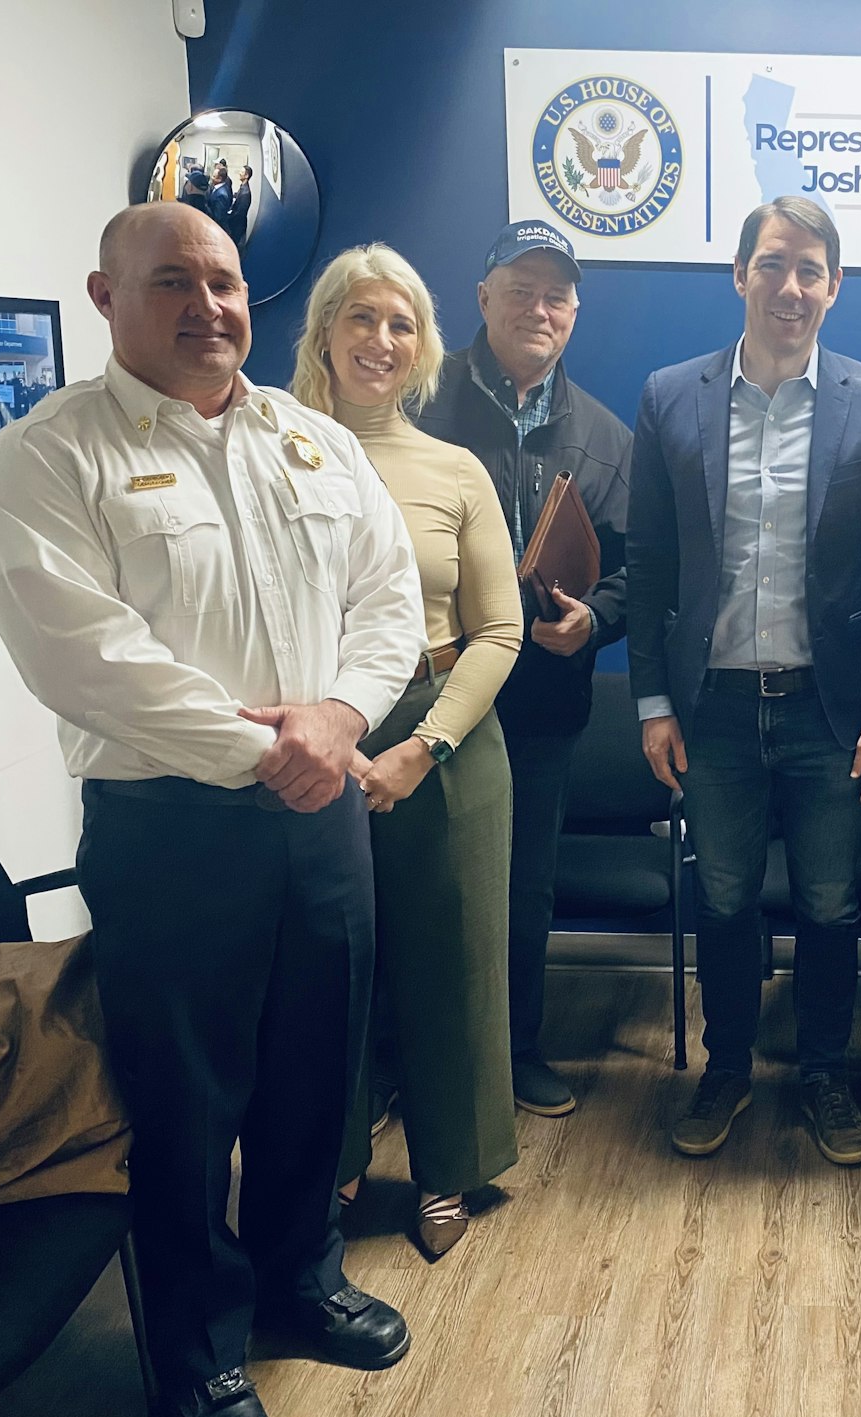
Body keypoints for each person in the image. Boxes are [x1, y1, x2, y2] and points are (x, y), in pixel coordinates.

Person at [0, 202, 423, 1417]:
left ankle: (298, 1283)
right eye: (173, 282)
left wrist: (336, 721)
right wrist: (274, 751)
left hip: (322, 817)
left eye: (224, 283)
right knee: (182, 1106)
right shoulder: (46, 459)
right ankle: (194, 1351)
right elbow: (88, 659)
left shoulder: (313, 442)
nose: (209, 306)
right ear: (106, 298)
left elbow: (387, 602)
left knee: (313, 1071)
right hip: (170, 832)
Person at [627, 195, 861, 1166]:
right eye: (772, 264)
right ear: (739, 275)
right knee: (722, 901)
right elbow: (652, 565)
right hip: (709, 710)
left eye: (809, 270)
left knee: (833, 905)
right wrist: (651, 701)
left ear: (833, 287)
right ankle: (726, 1070)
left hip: (828, 714)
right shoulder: (670, 395)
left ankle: (824, 1077)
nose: (789, 286)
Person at [290, 243, 524, 1259]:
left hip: (443, 730)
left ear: (422, 344)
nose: (379, 341)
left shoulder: (454, 470)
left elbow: (500, 631)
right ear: (325, 334)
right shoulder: (272, 450)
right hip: (309, 739)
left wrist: (422, 745)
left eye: (400, 324)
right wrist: (327, 742)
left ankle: (449, 1170)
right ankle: (328, 1159)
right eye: (361, 318)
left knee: (452, 960)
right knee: (319, 967)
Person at [416, 219, 631, 1119]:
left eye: (555, 295)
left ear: (574, 314)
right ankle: (413, 1060)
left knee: (522, 883)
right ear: (482, 300)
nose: (537, 309)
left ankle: (514, 1053)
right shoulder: (417, 409)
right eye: (520, 290)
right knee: (423, 879)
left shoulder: (608, 435)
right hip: (425, 695)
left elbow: (637, 569)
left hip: (543, 702)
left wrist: (594, 621)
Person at [226, 164, 254, 246]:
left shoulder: (245, 193)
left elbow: (240, 213)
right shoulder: (242, 188)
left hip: (237, 226)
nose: (239, 173)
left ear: (246, 176)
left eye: (241, 172)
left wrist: (228, 218)